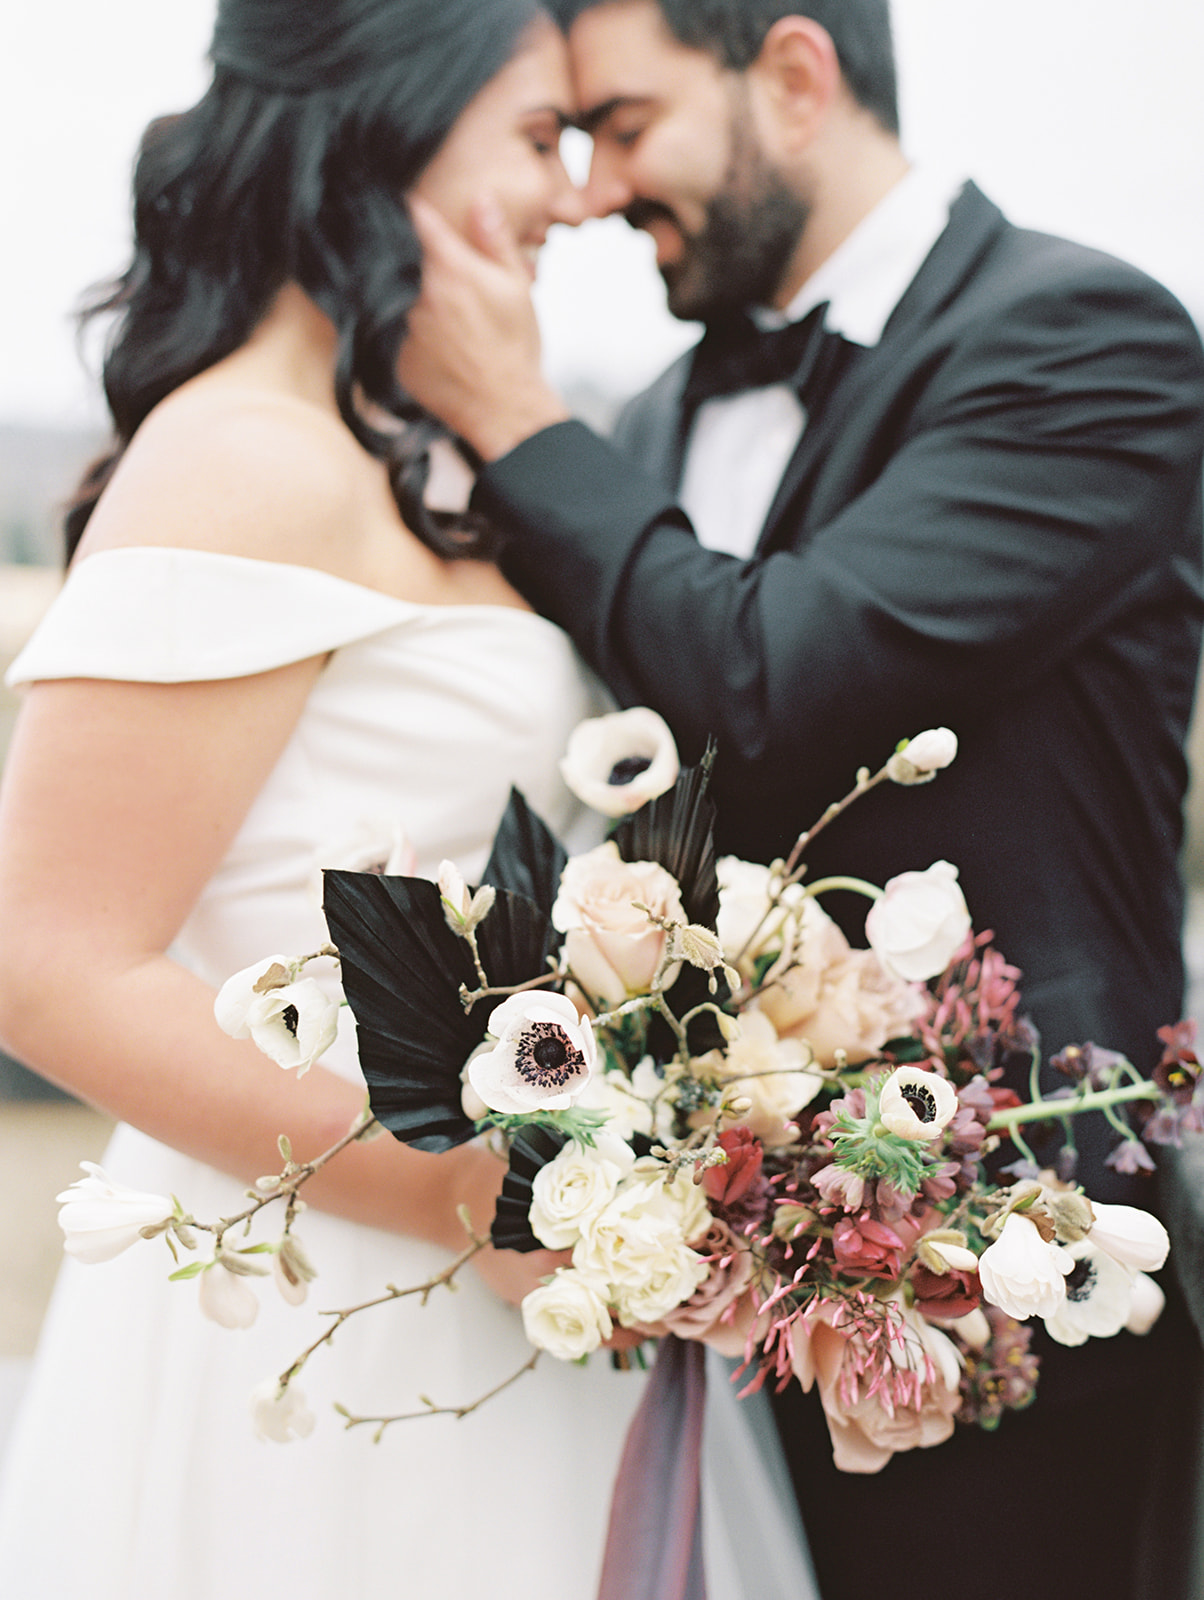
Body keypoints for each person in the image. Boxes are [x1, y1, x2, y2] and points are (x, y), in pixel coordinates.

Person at [393, 2, 1204, 1596]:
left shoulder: (1087, 336)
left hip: (1011, 1278)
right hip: (714, 1291)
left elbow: (778, 674)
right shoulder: (658, 420)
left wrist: (510, 419)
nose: (600, 187)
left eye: (623, 124)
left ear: (793, 74)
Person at [0, 5, 655, 1597]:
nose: (573, 197)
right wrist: (468, 1187)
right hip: (314, 1312)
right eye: (534, 138)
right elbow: (47, 959)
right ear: (387, 131)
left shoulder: (415, 464)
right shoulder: (245, 455)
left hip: (507, 1298)